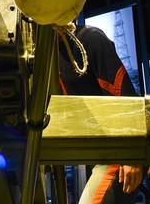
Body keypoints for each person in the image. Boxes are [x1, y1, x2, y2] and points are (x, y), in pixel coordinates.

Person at [57, 24, 143, 204]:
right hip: (96, 152)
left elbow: (126, 98)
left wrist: (132, 157)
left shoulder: (90, 39)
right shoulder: (48, 57)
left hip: (118, 151)